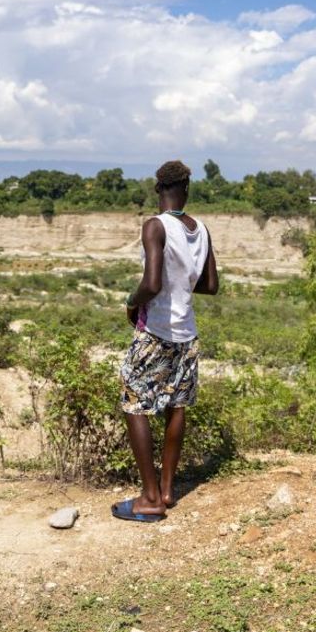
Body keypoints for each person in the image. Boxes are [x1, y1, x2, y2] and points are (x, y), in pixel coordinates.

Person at [112, 160, 218, 523]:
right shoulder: (201, 229)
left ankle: (150, 498)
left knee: (133, 400)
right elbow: (210, 286)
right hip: (187, 334)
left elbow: (152, 283)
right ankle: (169, 490)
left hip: (156, 331)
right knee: (177, 405)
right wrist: (183, 284)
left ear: (158, 189)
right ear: (187, 189)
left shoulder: (155, 226)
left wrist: (131, 301)